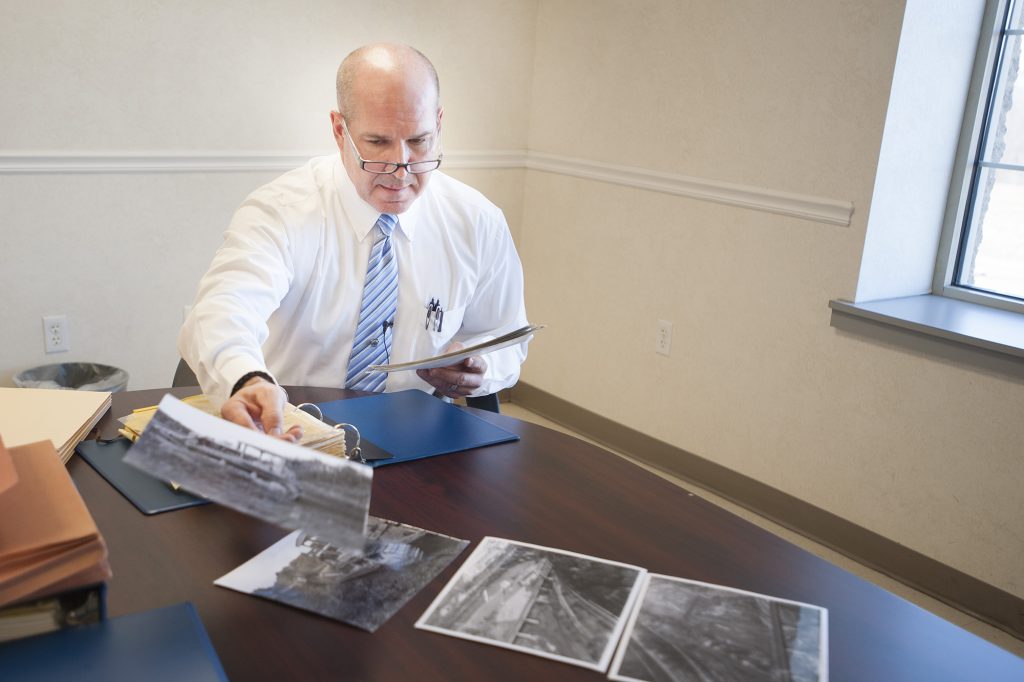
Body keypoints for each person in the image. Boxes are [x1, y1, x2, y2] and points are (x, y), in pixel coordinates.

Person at [178, 43, 529, 441]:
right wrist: (246, 379)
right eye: (377, 143)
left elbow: (505, 335)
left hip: (417, 434)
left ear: (439, 123)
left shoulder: (477, 221)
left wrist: (480, 367)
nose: (401, 171)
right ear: (338, 130)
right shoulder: (281, 211)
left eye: (419, 141)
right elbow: (222, 310)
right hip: (290, 430)